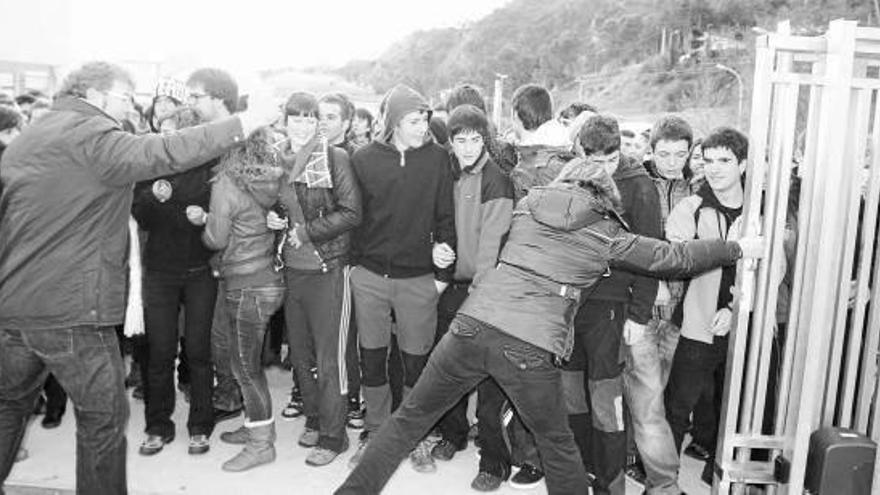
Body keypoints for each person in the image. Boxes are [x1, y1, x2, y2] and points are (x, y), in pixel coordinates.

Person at [335, 156, 764, 495]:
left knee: (408, 420)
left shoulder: (527, 207)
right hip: (527, 345)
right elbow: (675, 258)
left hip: (470, 325)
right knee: (557, 445)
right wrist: (738, 248)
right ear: (607, 196)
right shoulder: (606, 233)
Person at [0, 60, 274, 494]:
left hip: (13, 309)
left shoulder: (28, 140)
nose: (130, 107)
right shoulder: (92, 136)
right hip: (72, 310)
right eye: (126, 97)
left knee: (7, 410)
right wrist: (244, 122)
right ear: (95, 93)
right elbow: (162, 151)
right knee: (104, 420)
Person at [347, 84, 456, 473]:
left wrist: (442, 276)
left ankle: (415, 438)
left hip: (419, 280)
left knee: (417, 364)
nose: (422, 126)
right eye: (414, 120)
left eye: (425, 119)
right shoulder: (364, 158)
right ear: (394, 122)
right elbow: (354, 217)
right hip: (370, 275)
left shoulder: (439, 159)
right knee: (372, 359)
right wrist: (355, 267)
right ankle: (376, 434)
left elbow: (447, 216)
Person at [267, 91, 362, 467]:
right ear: (285, 121)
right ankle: (314, 417)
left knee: (329, 359)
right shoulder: (277, 157)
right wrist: (273, 218)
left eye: (312, 119)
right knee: (301, 355)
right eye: (298, 118)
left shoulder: (334, 157)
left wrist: (307, 232)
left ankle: (334, 435)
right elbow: (279, 205)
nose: (305, 125)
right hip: (292, 271)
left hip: (328, 270)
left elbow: (352, 212)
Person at [131, 76, 220, 457]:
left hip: (200, 271)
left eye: (174, 133)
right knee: (160, 352)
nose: (166, 139)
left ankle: (200, 425)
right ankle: (157, 425)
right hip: (160, 273)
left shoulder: (210, 167)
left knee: (198, 351)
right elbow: (140, 215)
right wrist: (153, 196)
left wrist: (205, 217)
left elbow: (222, 215)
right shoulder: (150, 166)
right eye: (164, 132)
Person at [429, 104, 515, 491]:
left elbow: (492, 245)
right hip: (450, 283)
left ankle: (494, 461)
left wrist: (479, 301)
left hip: (487, 290)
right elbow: (432, 222)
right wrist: (436, 251)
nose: (466, 147)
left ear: (486, 140)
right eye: (459, 139)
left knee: (488, 379)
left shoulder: (496, 179)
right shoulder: (444, 171)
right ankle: (453, 433)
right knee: (446, 365)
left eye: (474, 139)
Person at [195, 127, 285, 472]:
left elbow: (217, 239)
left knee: (246, 369)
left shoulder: (226, 183)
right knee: (247, 364)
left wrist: (205, 223)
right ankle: (254, 428)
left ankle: (262, 445)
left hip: (245, 283)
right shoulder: (274, 178)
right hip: (269, 279)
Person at [664, 127, 750, 485]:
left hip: (746, 326)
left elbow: (775, 268)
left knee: (739, 410)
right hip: (698, 325)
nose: (714, 168)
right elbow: (679, 257)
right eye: (709, 160)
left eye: (725, 161)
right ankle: (662, 483)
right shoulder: (692, 206)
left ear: (743, 165)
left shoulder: (762, 209)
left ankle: (717, 475)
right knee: (676, 408)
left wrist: (735, 307)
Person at [623, 114, 697, 494]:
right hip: (643, 310)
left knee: (658, 400)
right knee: (649, 403)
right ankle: (665, 485)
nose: (672, 161)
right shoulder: (636, 187)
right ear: (650, 151)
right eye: (664, 153)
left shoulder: (698, 189)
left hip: (683, 312)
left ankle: (642, 465)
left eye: (680, 154)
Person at [184, 68, 248, 424]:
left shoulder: (244, 138)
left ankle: (231, 396)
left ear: (219, 98)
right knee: (215, 334)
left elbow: (251, 201)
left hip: (237, 255)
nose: (190, 103)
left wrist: (213, 223)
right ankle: (226, 392)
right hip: (209, 252)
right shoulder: (204, 137)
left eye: (196, 96)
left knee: (227, 336)